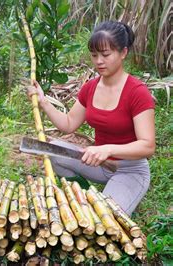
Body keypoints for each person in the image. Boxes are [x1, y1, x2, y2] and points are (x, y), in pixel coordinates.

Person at [27, 21, 155, 216]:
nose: (99, 61)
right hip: (99, 164)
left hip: (129, 169)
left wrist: (108, 149)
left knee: (107, 219)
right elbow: (68, 124)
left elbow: (148, 146)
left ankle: (115, 199)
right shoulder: (91, 87)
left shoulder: (137, 92)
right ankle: (84, 199)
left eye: (105, 55)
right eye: (94, 55)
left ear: (123, 53)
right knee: (54, 151)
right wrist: (44, 102)